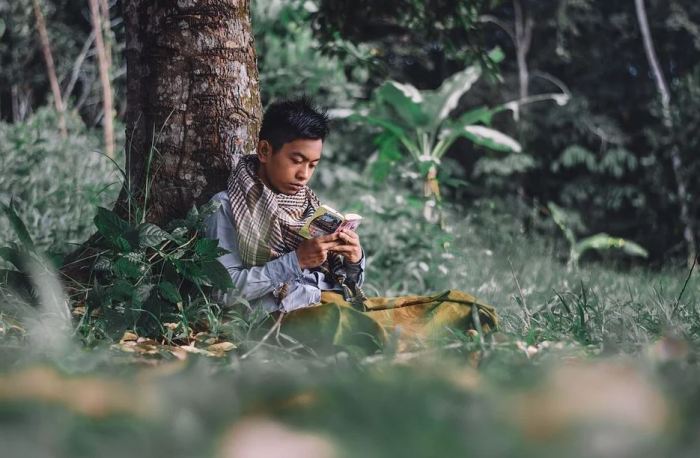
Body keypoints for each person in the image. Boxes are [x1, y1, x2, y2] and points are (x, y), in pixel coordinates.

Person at [204, 97, 365, 313]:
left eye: (312, 165)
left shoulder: (310, 207)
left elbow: (348, 286)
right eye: (296, 161)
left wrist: (354, 262)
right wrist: (295, 261)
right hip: (286, 319)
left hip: (332, 304)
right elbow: (224, 292)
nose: (304, 175)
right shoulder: (228, 206)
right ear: (264, 151)